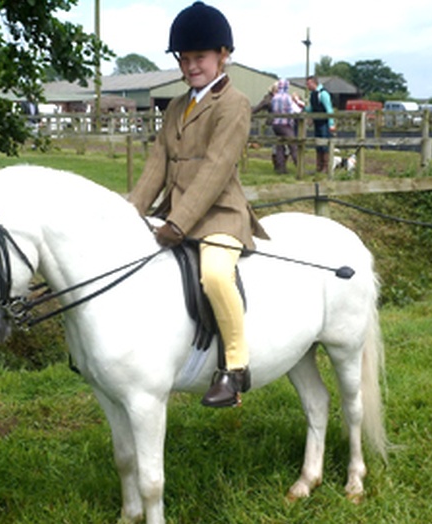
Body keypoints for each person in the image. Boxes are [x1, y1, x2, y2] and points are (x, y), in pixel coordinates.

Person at [127, 1, 269, 408]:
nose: (191, 67)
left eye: (200, 58)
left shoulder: (234, 104)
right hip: (174, 211)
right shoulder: (176, 105)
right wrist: (131, 212)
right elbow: (157, 164)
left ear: (223, 56)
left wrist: (178, 222)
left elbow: (216, 169)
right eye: (185, 59)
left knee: (216, 275)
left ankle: (234, 368)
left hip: (219, 214)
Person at [269, 78, 304, 174]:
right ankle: (300, 168)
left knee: (280, 146)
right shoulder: (287, 97)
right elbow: (292, 111)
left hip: (276, 124)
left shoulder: (274, 97)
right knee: (293, 146)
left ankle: (281, 168)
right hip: (285, 125)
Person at [304, 76, 336, 173]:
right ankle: (319, 166)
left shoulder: (323, 93)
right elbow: (312, 109)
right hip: (317, 122)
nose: (307, 86)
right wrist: (303, 106)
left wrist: (331, 124)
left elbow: (329, 109)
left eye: (308, 83)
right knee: (318, 144)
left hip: (324, 123)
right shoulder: (313, 94)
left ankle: (326, 167)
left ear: (314, 83)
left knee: (325, 145)